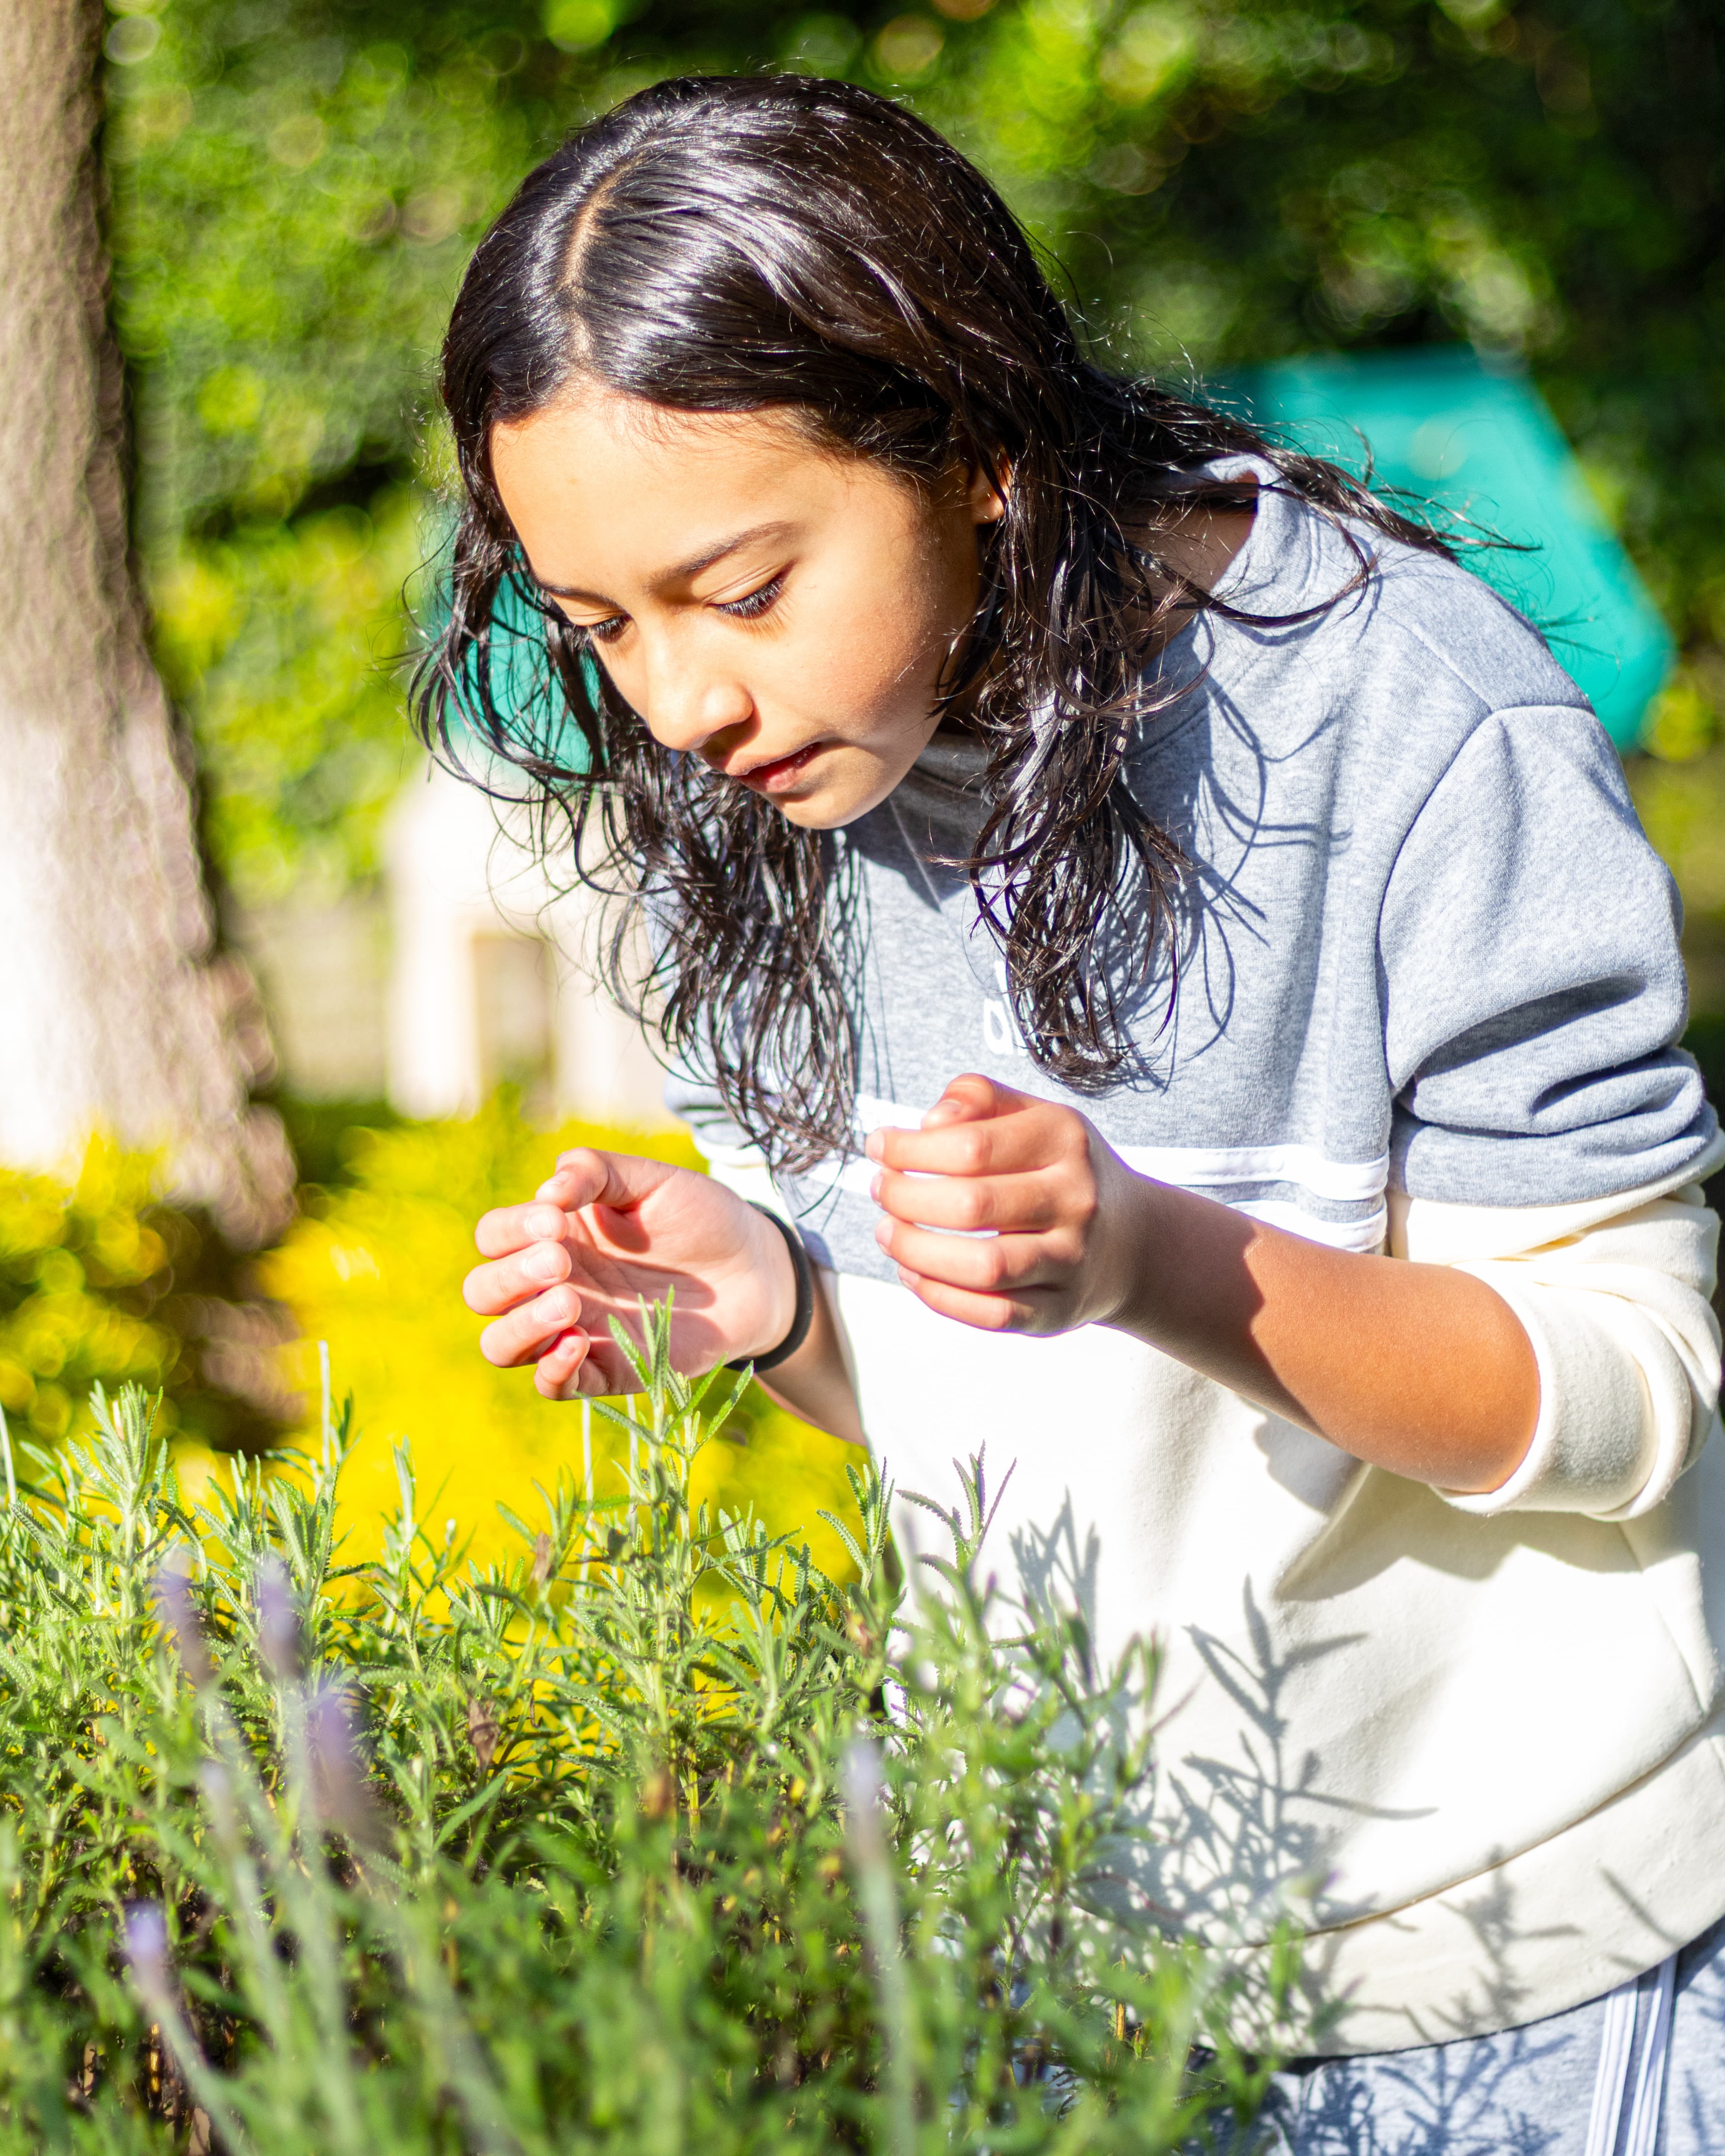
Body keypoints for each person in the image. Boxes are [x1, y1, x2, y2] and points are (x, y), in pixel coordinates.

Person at [419, 74, 1725, 2147]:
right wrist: (778, 1304)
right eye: (601, 626)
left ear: (983, 448)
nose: (679, 702)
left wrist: (1152, 1250)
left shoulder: (1404, 722)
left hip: (1498, 1984)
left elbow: (1629, 1399)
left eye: (742, 589)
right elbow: (1012, 1420)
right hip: (1074, 1967)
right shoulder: (782, 786)